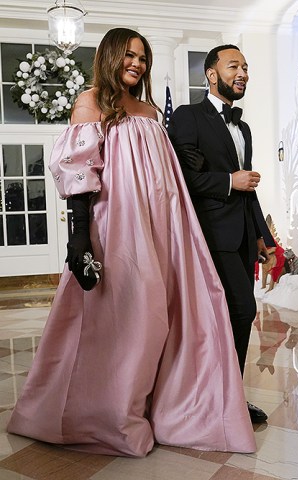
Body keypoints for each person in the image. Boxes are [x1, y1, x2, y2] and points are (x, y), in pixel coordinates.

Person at [7, 29, 256, 457]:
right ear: (108, 56)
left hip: (163, 226)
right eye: (128, 55)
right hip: (118, 227)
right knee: (127, 319)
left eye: (142, 57)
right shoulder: (90, 103)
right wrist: (81, 234)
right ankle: (109, 410)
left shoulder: (150, 111)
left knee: (169, 315)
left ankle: (163, 404)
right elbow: (80, 173)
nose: (136, 64)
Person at [167, 44, 274, 424]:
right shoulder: (188, 116)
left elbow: (250, 186)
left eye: (245, 66)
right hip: (211, 234)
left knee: (236, 315)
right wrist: (230, 180)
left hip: (243, 235)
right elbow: (183, 179)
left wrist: (263, 236)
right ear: (212, 74)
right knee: (242, 310)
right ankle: (220, 398)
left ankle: (226, 397)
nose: (242, 72)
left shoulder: (242, 126)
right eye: (234, 66)